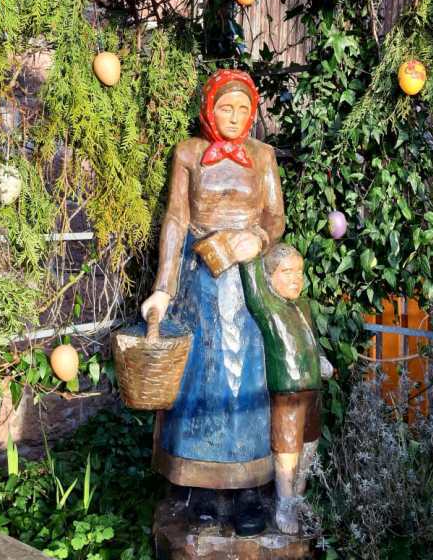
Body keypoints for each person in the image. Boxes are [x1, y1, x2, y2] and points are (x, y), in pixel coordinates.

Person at [140, 69, 284, 537]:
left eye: (244, 109)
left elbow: (275, 217)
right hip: (198, 277)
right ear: (209, 108)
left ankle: (247, 487)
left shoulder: (262, 155)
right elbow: (176, 219)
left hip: (246, 281)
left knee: (246, 375)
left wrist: (257, 238)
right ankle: (198, 484)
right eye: (226, 107)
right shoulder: (188, 153)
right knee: (199, 375)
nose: (235, 117)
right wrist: (163, 287)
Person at [240, 243, 331, 534]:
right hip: (287, 392)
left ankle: (298, 498)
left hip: (312, 391)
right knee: (287, 450)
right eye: (287, 271)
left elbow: (311, 339)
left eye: (300, 272)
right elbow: (253, 288)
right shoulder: (268, 307)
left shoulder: (303, 306)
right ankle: (285, 504)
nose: (296, 278)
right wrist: (249, 255)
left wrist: (321, 360)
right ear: (269, 278)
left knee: (309, 446)